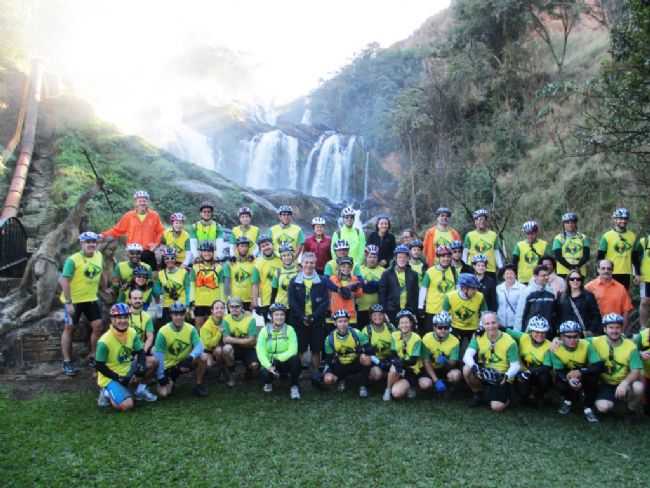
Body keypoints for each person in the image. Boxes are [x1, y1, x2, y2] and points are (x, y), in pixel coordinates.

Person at [59, 231, 106, 376]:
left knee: (97, 326)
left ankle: (93, 355)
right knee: (69, 328)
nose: (91, 244)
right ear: (82, 244)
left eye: (94, 242)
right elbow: (64, 280)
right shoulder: (73, 260)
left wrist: (105, 287)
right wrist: (68, 302)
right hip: (74, 300)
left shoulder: (99, 255)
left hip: (91, 298)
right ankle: (67, 362)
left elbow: (101, 272)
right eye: (88, 242)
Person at [95, 303, 158, 410]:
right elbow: (99, 366)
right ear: (112, 319)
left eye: (125, 317)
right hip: (111, 377)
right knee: (127, 405)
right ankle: (106, 393)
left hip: (127, 369)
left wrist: (141, 367)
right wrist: (117, 377)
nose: (123, 320)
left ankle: (139, 390)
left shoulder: (132, 332)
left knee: (153, 361)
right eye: (119, 317)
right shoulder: (104, 341)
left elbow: (141, 352)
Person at [462, 311, 520, 412]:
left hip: (501, 377)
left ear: (498, 324)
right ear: (482, 325)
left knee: (496, 407)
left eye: (493, 322)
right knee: (467, 369)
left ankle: (509, 398)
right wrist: (474, 367)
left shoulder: (510, 341)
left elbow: (516, 365)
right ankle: (478, 394)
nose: (490, 326)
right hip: (484, 373)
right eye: (487, 323)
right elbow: (467, 355)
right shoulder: (478, 336)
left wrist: (506, 376)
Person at [592, 313, 645, 418]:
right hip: (605, 383)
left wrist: (625, 383)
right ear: (605, 329)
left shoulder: (631, 346)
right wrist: (557, 341)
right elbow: (576, 340)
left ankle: (630, 410)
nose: (614, 331)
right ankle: (610, 403)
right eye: (611, 327)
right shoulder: (595, 341)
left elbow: (635, 371)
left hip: (623, 381)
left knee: (638, 387)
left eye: (617, 327)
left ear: (621, 329)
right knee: (603, 408)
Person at [288, 253, 329, 380]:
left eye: (311, 262)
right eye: (306, 262)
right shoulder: (294, 281)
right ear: (302, 264)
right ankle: (299, 371)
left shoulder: (322, 280)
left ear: (315, 264)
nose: (309, 265)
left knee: (316, 349)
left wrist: (313, 317)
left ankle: (316, 373)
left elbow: (325, 301)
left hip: (316, 320)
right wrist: (302, 317)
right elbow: (292, 302)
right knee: (300, 348)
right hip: (299, 320)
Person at [551, 320, 602, 423]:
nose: (572, 339)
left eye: (575, 336)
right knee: (560, 382)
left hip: (583, 372)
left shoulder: (586, 344)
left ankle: (588, 407)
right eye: (568, 337)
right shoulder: (555, 348)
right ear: (561, 336)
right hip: (567, 372)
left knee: (594, 377)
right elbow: (559, 370)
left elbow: (598, 365)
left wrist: (581, 372)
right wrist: (568, 379)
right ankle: (568, 400)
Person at [154, 302, 208, 398]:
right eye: (175, 314)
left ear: (184, 315)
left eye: (181, 314)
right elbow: (158, 355)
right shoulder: (163, 331)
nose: (179, 317)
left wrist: (191, 357)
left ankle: (199, 384)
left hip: (185, 362)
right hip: (169, 366)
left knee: (203, 357)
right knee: (164, 394)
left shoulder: (191, 329)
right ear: (171, 315)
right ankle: (170, 381)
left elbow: (200, 346)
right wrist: (161, 376)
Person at [101, 190, 164, 269]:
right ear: (135, 203)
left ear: (147, 202)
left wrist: (156, 244)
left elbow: (160, 231)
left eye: (144, 201)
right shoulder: (129, 216)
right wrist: (102, 235)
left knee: (152, 274)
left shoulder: (154, 215)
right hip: (133, 251)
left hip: (148, 251)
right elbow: (117, 230)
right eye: (139, 201)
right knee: (132, 275)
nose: (142, 203)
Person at [256, 303, 301, 400]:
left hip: (284, 362)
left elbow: (293, 350)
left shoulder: (290, 330)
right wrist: (268, 366)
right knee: (264, 372)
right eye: (276, 315)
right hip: (270, 363)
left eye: (282, 314)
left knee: (295, 359)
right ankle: (268, 383)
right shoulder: (264, 331)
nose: (279, 317)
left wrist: (278, 358)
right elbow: (260, 351)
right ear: (271, 316)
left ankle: (294, 386)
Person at [505, 316, 553, 406]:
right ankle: (526, 395)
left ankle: (540, 395)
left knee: (545, 378)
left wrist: (528, 372)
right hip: (524, 370)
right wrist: (485, 327)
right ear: (531, 331)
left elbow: (546, 367)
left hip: (539, 372)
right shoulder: (524, 337)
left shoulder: (549, 345)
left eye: (543, 332)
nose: (540, 335)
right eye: (537, 331)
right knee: (523, 394)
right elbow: (506, 330)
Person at [322, 309, 372, 398]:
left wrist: (362, 351)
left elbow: (369, 349)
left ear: (348, 322)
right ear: (335, 323)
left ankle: (363, 385)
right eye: (340, 321)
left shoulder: (356, 333)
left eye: (345, 321)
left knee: (366, 358)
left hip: (355, 363)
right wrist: (328, 370)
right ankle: (341, 379)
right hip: (340, 365)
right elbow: (329, 358)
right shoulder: (329, 338)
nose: (343, 324)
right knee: (327, 379)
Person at [384, 309, 427, 401]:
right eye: (402, 323)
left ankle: (410, 386)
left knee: (397, 394)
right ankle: (387, 389)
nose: (404, 325)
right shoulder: (394, 335)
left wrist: (400, 363)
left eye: (407, 322)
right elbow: (393, 353)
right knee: (393, 367)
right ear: (398, 325)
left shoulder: (416, 338)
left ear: (411, 323)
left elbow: (413, 360)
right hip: (400, 366)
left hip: (412, 370)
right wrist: (395, 362)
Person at [442, 273, 487, 354]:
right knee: (454, 351)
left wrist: (481, 326)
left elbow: (485, 314)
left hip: (474, 327)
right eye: (473, 289)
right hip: (455, 327)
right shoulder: (450, 297)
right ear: (463, 288)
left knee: (475, 352)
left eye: (476, 288)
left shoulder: (480, 296)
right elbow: (444, 314)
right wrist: (448, 328)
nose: (475, 291)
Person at [585, 260, 634, 333]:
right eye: (603, 268)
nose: (606, 271)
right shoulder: (589, 287)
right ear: (598, 270)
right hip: (595, 329)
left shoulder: (621, 288)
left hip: (614, 329)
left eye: (609, 268)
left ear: (612, 270)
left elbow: (626, 312)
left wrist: (622, 331)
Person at [597, 208, 640, 289]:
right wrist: (599, 273)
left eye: (625, 218)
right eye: (620, 218)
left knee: (623, 298)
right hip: (609, 272)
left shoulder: (632, 236)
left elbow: (635, 257)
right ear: (615, 220)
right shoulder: (607, 236)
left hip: (626, 273)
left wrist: (637, 274)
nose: (623, 221)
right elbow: (600, 257)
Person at [421, 312, 462, 396]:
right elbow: (426, 361)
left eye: (446, 327)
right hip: (431, 368)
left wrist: (445, 361)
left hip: (445, 368)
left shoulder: (455, 341)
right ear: (434, 327)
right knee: (425, 384)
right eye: (440, 327)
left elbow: (453, 363)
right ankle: (434, 387)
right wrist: (436, 380)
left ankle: (448, 387)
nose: (443, 330)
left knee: (456, 375)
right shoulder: (426, 338)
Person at [418, 245, 457, 334]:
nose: (446, 259)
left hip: (448, 311)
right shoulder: (430, 271)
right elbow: (423, 290)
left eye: (448, 256)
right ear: (438, 258)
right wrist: (420, 307)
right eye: (443, 256)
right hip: (432, 310)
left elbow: (457, 289)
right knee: (430, 336)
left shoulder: (454, 271)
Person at [222, 296, 259, 384]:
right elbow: (225, 339)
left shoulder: (250, 319)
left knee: (254, 366)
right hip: (234, 349)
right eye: (232, 306)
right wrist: (244, 340)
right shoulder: (226, 319)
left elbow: (252, 341)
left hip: (248, 349)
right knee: (226, 349)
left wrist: (233, 340)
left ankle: (248, 372)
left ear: (242, 307)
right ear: (228, 307)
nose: (234, 309)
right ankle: (232, 374)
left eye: (237, 306)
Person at [379, 245, 419, 324]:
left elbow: (415, 295)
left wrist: (414, 312)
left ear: (408, 258)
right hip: (391, 310)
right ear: (395, 258)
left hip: (408, 310)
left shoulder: (413, 274)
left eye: (404, 257)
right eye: (400, 257)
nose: (402, 259)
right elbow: (382, 294)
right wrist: (383, 312)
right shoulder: (387, 274)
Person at [191, 241, 227, 329]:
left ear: (213, 252)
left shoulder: (219, 268)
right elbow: (192, 286)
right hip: (199, 302)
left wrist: (223, 302)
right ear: (201, 253)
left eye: (209, 251)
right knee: (199, 327)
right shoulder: (195, 268)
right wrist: (191, 301)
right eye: (204, 251)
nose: (207, 253)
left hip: (214, 303)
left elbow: (222, 286)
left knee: (214, 327)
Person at [557, 270, 601, 336]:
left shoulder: (588, 296)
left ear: (581, 281)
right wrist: (559, 330)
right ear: (568, 281)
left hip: (583, 334)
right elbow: (557, 316)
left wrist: (591, 331)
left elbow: (596, 316)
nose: (575, 281)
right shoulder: (561, 296)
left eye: (578, 279)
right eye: (572, 279)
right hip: (566, 334)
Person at [516, 265, 557, 335]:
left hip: (547, 332)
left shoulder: (551, 292)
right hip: (531, 332)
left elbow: (553, 313)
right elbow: (520, 314)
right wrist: (519, 333)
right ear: (535, 276)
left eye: (547, 275)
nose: (546, 277)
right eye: (543, 275)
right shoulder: (527, 292)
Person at [463, 208, 503, 278]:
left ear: (487, 222)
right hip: (473, 269)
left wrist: (501, 267)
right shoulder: (469, 235)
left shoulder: (493, 235)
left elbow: (496, 252)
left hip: (489, 269)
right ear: (475, 221)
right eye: (479, 219)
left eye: (484, 219)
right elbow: (465, 253)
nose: (482, 221)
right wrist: (463, 268)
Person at [156, 247, 191, 325]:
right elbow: (157, 291)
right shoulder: (160, 274)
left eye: (172, 258)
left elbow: (188, 289)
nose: (170, 260)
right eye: (167, 258)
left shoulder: (183, 272)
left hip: (181, 304)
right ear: (164, 260)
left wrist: (188, 304)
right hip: (167, 305)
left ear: (175, 259)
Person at [224, 236, 260, 311]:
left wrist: (254, 300)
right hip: (234, 300)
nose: (244, 248)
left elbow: (255, 284)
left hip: (248, 300)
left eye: (246, 246)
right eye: (242, 246)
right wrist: (227, 299)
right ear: (237, 247)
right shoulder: (230, 263)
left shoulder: (255, 263)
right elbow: (227, 283)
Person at [326, 257, 363, 327]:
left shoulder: (355, 279)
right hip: (335, 313)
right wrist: (348, 289)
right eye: (343, 266)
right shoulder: (333, 279)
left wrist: (352, 293)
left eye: (349, 267)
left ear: (351, 268)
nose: (346, 269)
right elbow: (330, 293)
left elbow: (360, 293)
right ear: (339, 267)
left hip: (350, 314)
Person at [363, 304, 395, 385]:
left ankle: (389, 377)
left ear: (384, 316)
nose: (378, 317)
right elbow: (365, 352)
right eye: (374, 315)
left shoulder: (390, 327)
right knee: (377, 374)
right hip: (374, 359)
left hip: (389, 358)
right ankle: (366, 381)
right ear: (370, 317)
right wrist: (378, 362)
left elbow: (397, 344)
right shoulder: (367, 330)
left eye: (380, 314)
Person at [552, 212, 590, 278]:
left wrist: (577, 266)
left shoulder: (583, 237)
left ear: (576, 223)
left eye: (572, 222)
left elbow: (586, 256)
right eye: (567, 222)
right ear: (563, 224)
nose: (570, 224)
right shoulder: (558, 238)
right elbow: (558, 256)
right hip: (563, 271)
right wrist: (570, 267)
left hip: (580, 270)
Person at [254, 234, 282, 320]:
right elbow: (255, 283)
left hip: (282, 299)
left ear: (272, 245)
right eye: (263, 246)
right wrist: (255, 303)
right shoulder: (257, 262)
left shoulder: (281, 258)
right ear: (260, 249)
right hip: (266, 300)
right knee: (269, 328)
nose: (266, 247)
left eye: (267, 244)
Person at [512, 220, 548, 285]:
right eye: (528, 233)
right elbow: (514, 263)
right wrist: (514, 277)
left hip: (539, 279)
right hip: (523, 280)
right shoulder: (519, 245)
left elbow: (548, 262)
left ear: (536, 233)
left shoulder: (544, 244)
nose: (530, 236)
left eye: (532, 233)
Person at [357, 245, 384, 327]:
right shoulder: (358, 269)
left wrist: (367, 283)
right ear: (366, 257)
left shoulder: (383, 271)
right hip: (360, 307)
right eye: (370, 257)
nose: (372, 259)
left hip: (377, 309)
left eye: (374, 257)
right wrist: (375, 284)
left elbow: (382, 287)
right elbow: (358, 285)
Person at [199, 300, 226, 378]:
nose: (219, 310)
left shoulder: (226, 320)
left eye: (222, 308)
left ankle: (223, 370)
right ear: (212, 310)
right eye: (216, 308)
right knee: (209, 365)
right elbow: (209, 344)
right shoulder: (206, 326)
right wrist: (219, 332)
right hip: (208, 350)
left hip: (221, 347)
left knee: (222, 350)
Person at [270, 242, 300, 310]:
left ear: (292, 256)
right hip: (281, 306)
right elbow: (274, 291)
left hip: (295, 306)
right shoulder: (278, 271)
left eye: (288, 255)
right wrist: (271, 305)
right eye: (284, 256)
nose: (286, 258)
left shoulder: (299, 270)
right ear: (281, 258)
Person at [496, 264, 524, 329]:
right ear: (503, 276)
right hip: (500, 324)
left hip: (515, 325)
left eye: (511, 273)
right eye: (507, 274)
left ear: (515, 275)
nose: (509, 276)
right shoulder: (498, 288)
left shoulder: (522, 288)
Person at [128, 289, 155, 354]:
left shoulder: (147, 317)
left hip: (141, 348)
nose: (138, 300)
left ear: (143, 300)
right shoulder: (123, 315)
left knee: (155, 350)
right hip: (127, 348)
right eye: (135, 298)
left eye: (140, 298)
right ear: (129, 300)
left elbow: (150, 337)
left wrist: (143, 352)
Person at [633, 325, 650, 414]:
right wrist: (640, 353)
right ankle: (645, 405)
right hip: (645, 374)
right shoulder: (641, 336)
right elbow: (631, 351)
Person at [637, 231, 650, 329]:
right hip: (646, 277)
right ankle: (643, 328)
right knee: (645, 302)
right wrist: (636, 274)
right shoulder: (644, 241)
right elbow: (634, 258)